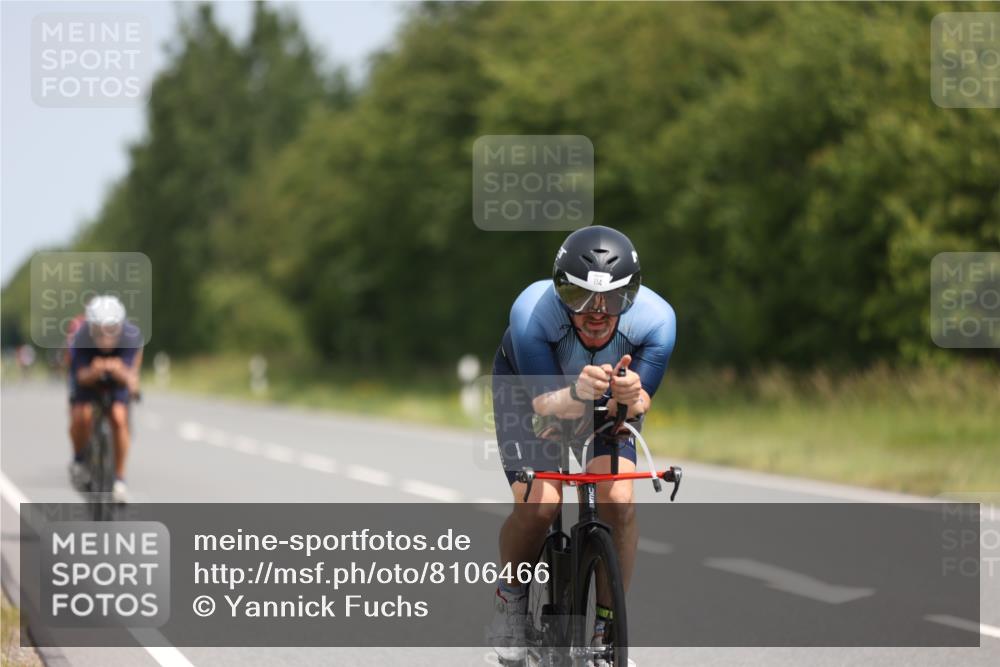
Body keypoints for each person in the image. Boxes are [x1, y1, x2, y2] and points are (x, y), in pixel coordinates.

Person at [488, 226, 676, 664]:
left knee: (618, 498)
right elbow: (543, 403)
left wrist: (630, 396)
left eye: (614, 299)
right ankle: (511, 600)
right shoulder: (532, 311)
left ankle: (605, 627)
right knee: (540, 505)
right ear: (559, 293)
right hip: (530, 391)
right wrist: (576, 393)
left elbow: (640, 401)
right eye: (580, 299)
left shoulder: (657, 321)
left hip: (602, 400)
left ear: (632, 295)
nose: (597, 313)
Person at [67, 295, 143, 503]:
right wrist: (94, 371)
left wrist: (124, 376)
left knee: (119, 418)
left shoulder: (130, 336)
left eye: (111, 331)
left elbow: (132, 378)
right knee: (81, 416)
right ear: (91, 328)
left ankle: (119, 479)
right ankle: (79, 460)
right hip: (88, 379)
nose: (106, 338)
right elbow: (80, 376)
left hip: (116, 380)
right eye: (99, 331)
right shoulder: (81, 337)